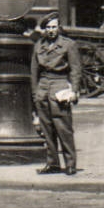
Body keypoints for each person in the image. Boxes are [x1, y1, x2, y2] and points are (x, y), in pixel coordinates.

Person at [30, 13, 83, 175]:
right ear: (44, 29)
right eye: (48, 28)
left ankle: (70, 163)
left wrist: (73, 91)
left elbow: (75, 70)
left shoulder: (68, 45)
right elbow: (34, 71)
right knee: (47, 128)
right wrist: (35, 93)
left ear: (59, 28)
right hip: (43, 87)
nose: (51, 30)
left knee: (63, 127)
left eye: (54, 27)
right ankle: (52, 163)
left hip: (59, 85)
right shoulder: (39, 45)